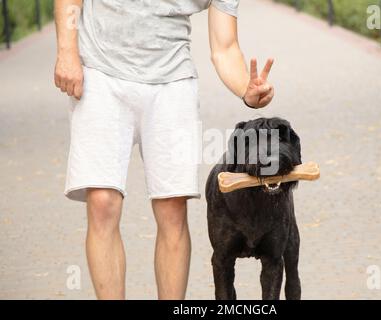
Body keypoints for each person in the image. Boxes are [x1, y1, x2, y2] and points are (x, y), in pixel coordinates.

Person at [54, 0, 274, 300]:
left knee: (172, 208)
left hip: (173, 83)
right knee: (102, 202)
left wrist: (246, 90)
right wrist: (67, 51)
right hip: (100, 73)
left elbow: (225, 47)